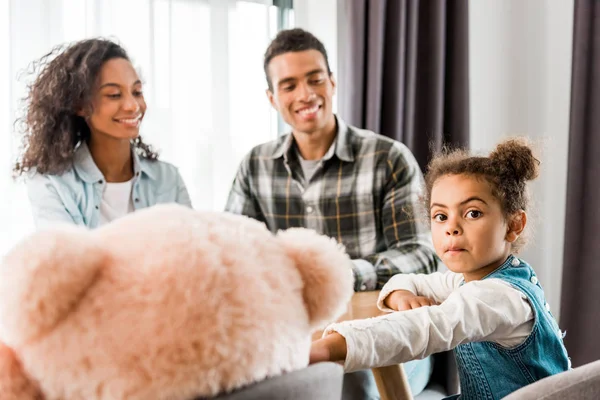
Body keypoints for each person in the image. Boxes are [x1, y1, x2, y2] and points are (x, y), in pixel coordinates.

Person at [225, 28, 438, 399]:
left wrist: (338, 273)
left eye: (315, 79)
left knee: (351, 385)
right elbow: (232, 256)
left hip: (388, 340)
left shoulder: (388, 158)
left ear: (332, 82)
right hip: (295, 333)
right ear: (272, 98)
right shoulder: (255, 166)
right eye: (289, 85)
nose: (305, 94)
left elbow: (421, 253)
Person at [310, 138, 571, 399]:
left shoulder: (501, 297)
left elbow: (425, 328)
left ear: (514, 225)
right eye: (441, 216)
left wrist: (325, 349)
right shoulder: (466, 279)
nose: (451, 227)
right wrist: (400, 295)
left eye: (473, 213)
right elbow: (409, 280)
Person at [14, 38, 191, 229]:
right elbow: (66, 257)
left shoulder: (168, 179)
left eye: (137, 92)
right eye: (114, 95)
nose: (132, 106)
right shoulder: (52, 184)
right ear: (79, 105)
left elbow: (194, 252)